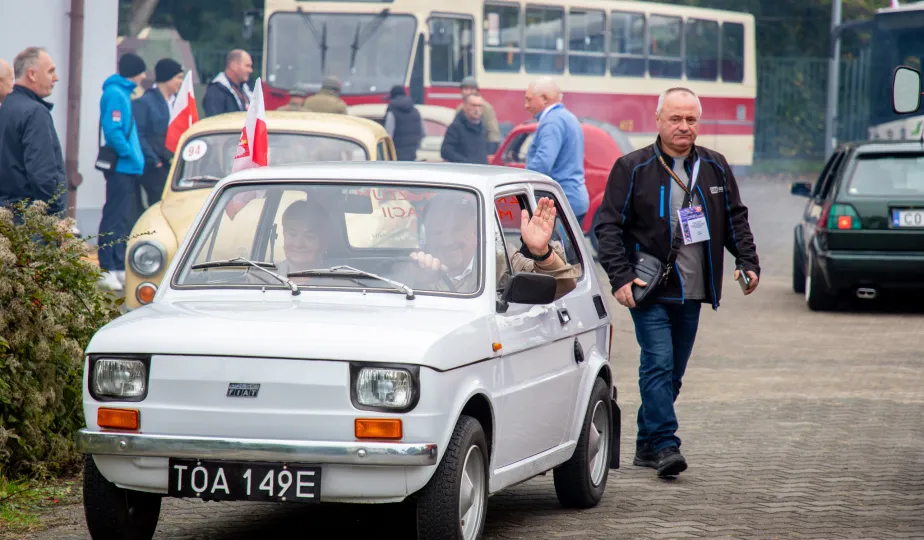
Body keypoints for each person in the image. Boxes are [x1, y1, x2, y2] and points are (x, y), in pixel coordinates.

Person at [594, 87, 760, 478]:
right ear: (658, 121)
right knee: (658, 363)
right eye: (675, 118)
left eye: (690, 119)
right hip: (649, 288)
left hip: (694, 289)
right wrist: (620, 277)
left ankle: (646, 444)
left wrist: (748, 261)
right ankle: (667, 446)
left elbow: (735, 219)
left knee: (672, 375)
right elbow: (607, 227)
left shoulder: (716, 166)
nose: (684, 126)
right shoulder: (632, 167)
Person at [407, 192, 579, 298]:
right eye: (437, 233)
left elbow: (564, 285)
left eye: (457, 231)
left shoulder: (502, 261)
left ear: (476, 233)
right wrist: (417, 280)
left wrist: (542, 252)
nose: (446, 241)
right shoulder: (416, 264)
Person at [96, 53, 147, 291]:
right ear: (134, 72)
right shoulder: (115, 93)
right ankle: (106, 267)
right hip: (121, 167)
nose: (144, 76)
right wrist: (129, 154)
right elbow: (113, 130)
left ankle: (116, 265)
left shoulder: (123, 93)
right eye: (142, 71)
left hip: (128, 168)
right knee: (114, 217)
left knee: (122, 219)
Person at [0, 47, 65, 216]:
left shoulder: (5, 108)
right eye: (50, 71)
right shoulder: (35, 112)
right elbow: (42, 174)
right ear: (32, 74)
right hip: (28, 218)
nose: (56, 78)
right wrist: (56, 212)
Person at [524, 77, 590, 224]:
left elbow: (542, 163)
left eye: (529, 99)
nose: (526, 105)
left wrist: (521, 180)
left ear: (544, 99)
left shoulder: (552, 122)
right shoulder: (567, 117)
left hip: (560, 203)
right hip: (572, 199)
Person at [133, 58, 184, 222]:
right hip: (156, 167)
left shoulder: (178, 102)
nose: (181, 82)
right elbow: (139, 134)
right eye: (178, 77)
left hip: (172, 164)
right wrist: (154, 160)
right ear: (167, 78)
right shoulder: (146, 102)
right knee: (159, 208)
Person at [276, 199, 330, 276]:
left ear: (323, 241)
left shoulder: (337, 279)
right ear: (284, 235)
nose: (298, 244)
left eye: (309, 237)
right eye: (292, 234)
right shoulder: (264, 277)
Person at [455, 77, 500, 154]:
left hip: (482, 148)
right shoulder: (460, 109)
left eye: (472, 89)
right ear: (461, 91)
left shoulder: (485, 108)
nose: (468, 92)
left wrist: (489, 154)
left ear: (477, 91)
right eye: (466, 89)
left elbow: (493, 132)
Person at [202, 49, 253, 117]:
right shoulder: (216, 91)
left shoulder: (245, 90)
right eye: (247, 66)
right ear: (234, 65)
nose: (250, 70)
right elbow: (214, 120)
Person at [440, 93, 488, 164]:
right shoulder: (456, 127)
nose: (477, 109)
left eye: (479, 106)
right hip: (463, 169)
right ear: (465, 107)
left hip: (481, 169)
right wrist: (465, 162)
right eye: (473, 105)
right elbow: (446, 151)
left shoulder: (483, 128)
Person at [384, 86, 424, 161]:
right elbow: (423, 133)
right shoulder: (416, 111)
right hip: (413, 156)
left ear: (392, 97)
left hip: (396, 157)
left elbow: (388, 136)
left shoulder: (392, 112)